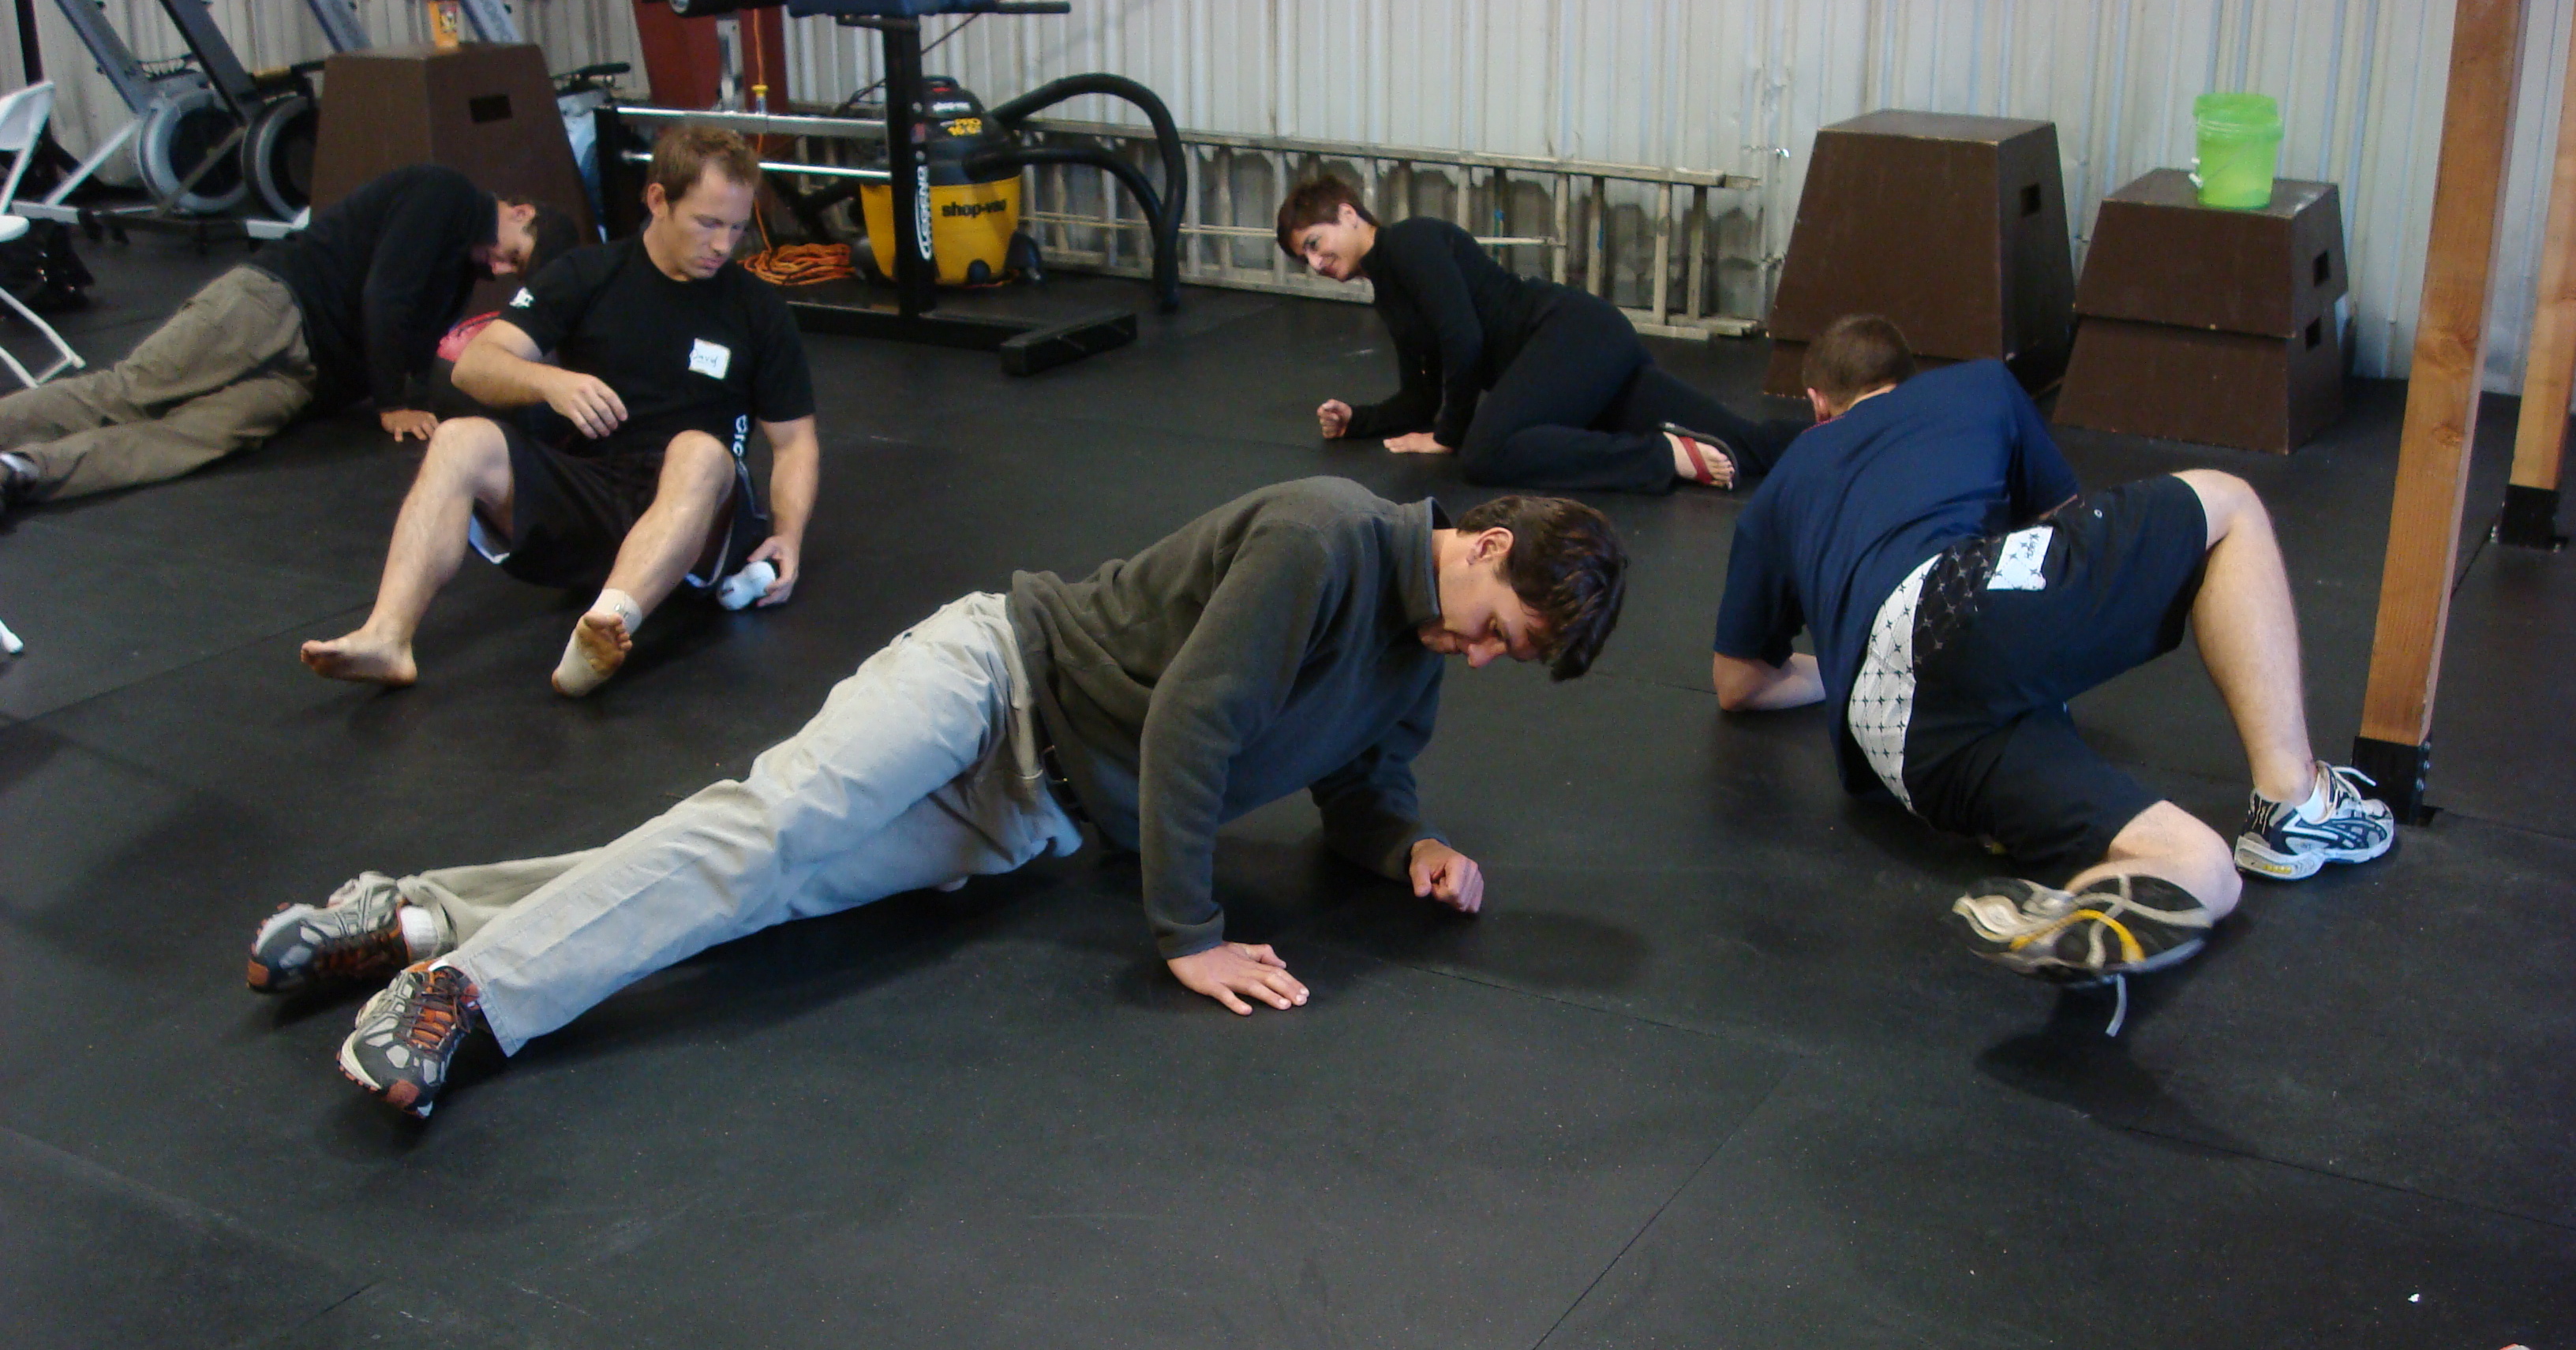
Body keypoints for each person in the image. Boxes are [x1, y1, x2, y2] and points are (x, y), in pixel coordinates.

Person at [245, 477, 1630, 1118]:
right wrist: (1190, 932)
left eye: (1508, 658)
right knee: (771, 827)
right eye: (1500, 628)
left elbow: (1364, 781)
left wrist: (1408, 846)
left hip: (1026, 816)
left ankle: (416, 913)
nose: (1482, 657)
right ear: (1482, 543)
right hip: (992, 677)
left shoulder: (1413, 655)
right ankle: (468, 996)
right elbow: (1196, 724)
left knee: (761, 886)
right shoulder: (1325, 538)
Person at [1709, 314, 2393, 988]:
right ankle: (2294, 805)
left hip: (1890, 737)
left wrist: (1842, 662)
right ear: (1907, 377)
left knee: (2203, 863)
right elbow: (2061, 523)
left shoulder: (1780, 487)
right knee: (2232, 504)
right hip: (1950, 605)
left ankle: (2081, 906)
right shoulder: (1978, 385)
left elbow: (1740, 683)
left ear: (1817, 404)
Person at [300, 128, 819, 697]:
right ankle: (386, 637)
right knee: (459, 439)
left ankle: (605, 628)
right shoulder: (587, 274)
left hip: (699, 518)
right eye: (708, 223)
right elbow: (476, 365)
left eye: (737, 228)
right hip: (594, 492)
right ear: (657, 200)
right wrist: (549, 382)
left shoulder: (757, 309)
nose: (723, 245)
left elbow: (794, 442)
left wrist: (788, 536)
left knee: (697, 450)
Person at [0, 165, 574, 510]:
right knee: (128, 392)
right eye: (513, 255)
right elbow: (384, 296)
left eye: (512, 273)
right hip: (271, 305)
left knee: (189, 439)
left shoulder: (460, 268)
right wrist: (393, 406)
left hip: (304, 379)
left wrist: (419, 402)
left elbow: (418, 343)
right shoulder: (446, 194)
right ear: (519, 212)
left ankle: (22, 472)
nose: (499, 269)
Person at [1275, 177, 1805, 495]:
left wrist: (1449, 436)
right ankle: (1844, 436)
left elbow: (1463, 339)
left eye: (1316, 244)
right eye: (1305, 259)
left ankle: (1662, 458)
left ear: (1348, 214)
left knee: (1485, 451)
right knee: (1743, 446)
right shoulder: (1389, 293)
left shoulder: (1411, 242)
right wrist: (1359, 420)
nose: (1316, 264)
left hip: (1573, 336)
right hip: (1569, 367)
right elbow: (1421, 395)